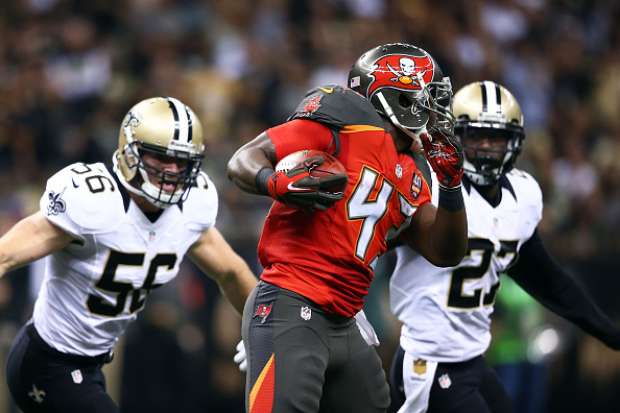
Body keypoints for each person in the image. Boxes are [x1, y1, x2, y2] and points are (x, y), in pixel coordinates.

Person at [226, 42, 468, 413]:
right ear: (396, 100)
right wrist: (271, 181)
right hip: (292, 303)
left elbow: (445, 250)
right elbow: (245, 158)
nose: (435, 111)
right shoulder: (344, 119)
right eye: (425, 100)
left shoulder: (411, 171)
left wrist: (451, 186)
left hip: (347, 319)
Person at [0, 97, 258, 413]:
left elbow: (231, 271)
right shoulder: (93, 201)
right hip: (46, 362)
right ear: (130, 152)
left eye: (182, 162)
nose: (172, 171)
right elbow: (5, 255)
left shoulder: (191, 207)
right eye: (160, 158)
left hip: (92, 366)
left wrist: (262, 330)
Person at [388, 81, 620, 413]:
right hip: (429, 361)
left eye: (495, 138)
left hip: (471, 360)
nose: (485, 147)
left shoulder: (521, 197)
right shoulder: (427, 186)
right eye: (476, 136)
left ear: (514, 142)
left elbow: (548, 280)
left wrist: (607, 331)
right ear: (456, 137)